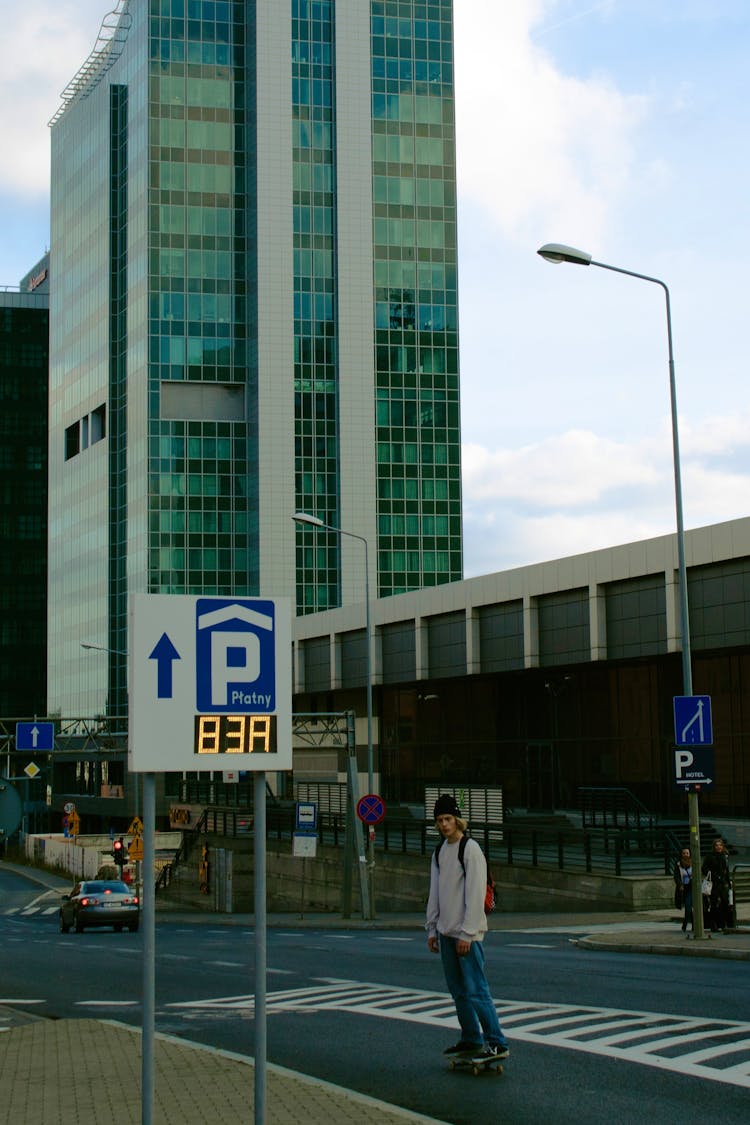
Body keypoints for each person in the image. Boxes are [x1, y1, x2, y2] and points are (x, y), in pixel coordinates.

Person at [426, 793, 510, 1061]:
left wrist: (468, 932)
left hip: (466, 935)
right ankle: (471, 1037)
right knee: (458, 990)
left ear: (457, 820)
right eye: (439, 820)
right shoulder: (439, 852)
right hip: (446, 931)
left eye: (448, 819)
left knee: (476, 989)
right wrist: (432, 928)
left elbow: (475, 893)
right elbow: (435, 892)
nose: (443, 825)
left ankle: (497, 1042)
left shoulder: (470, 849)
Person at [701, 837, 733, 932]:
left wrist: (729, 881)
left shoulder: (724, 856)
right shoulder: (710, 856)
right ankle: (713, 924)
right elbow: (704, 869)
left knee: (724, 903)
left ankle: (723, 924)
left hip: (723, 883)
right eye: (717, 845)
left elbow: (726, 870)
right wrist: (711, 874)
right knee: (714, 904)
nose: (719, 847)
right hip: (713, 883)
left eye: (720, 845)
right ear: (714, 847)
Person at [673, 847, 693, 932]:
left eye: (687, 853)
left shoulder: (693, 863)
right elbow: (676, 876)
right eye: (684, 853)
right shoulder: (678, 864)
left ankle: (686, 923)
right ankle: (690, 923)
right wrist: (680, 884)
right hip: (683, 888)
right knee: (687, 906)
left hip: (691, 887)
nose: (685, 855)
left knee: (688, 906)